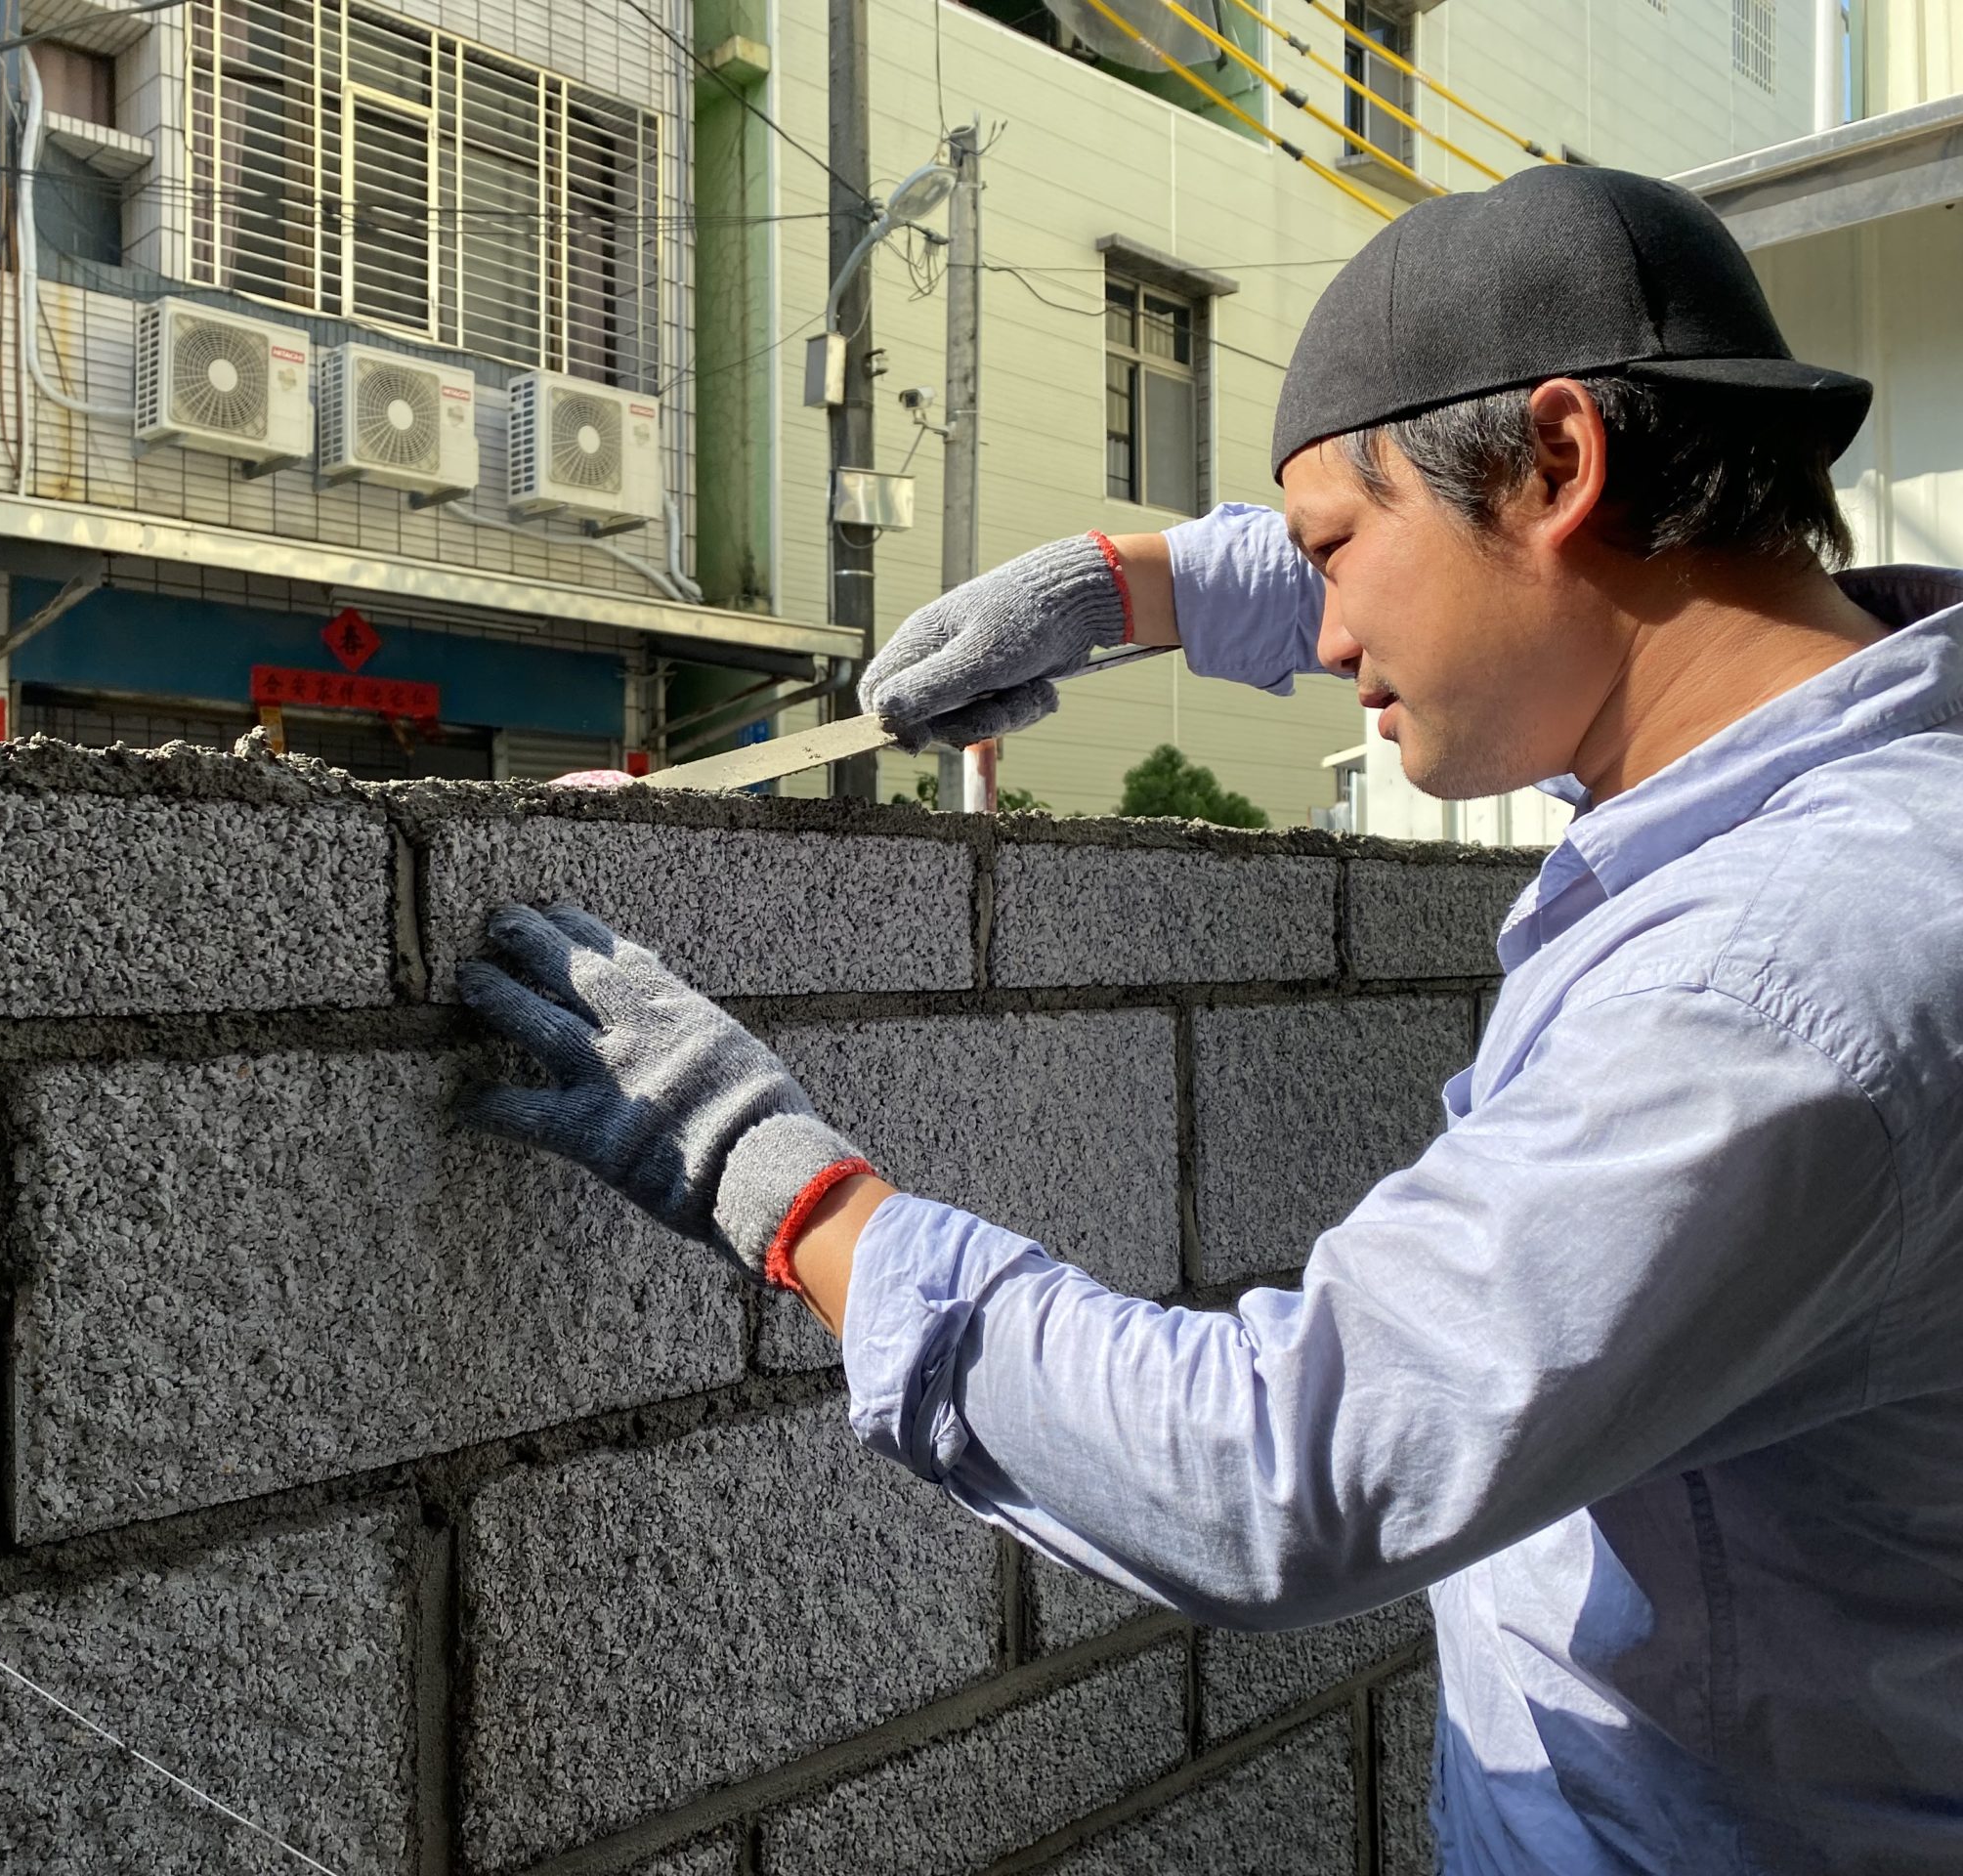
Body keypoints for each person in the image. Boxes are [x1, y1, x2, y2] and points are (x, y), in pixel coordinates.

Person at [455, 164, 1963, 1873]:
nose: (1327, 626)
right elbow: (1529, 592)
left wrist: (781, 1189)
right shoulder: (1864, 776)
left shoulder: (1774, 984)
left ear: (1559, 459)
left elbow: (1281, 1469)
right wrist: (1135, 583)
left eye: (1334, 549)